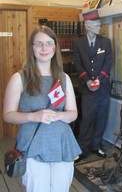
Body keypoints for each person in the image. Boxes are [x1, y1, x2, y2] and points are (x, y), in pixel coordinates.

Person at [3, 26, 82, 192]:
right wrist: (34, 116)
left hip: (62, 143)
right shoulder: (20, 78)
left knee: (61, 189)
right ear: (32, 48)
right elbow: (8, 115)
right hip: (34, 143)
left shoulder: (63, 78)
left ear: (55, 48)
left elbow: (73, 114)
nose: (44, 48)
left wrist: (59, 115)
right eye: (39, 44)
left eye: (49, 43)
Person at [73, 14, 112, 159]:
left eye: (99, 24)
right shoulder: (78, 43)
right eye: (96, 25)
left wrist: (99, 80)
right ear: (87, 26)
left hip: (102, 88)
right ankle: (82, 149)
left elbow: (108, 63)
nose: (99, 27)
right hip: (87, 88)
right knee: (87, 119)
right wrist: (88, 81)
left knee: (101, 117)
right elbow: (77, 63)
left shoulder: (106, 42)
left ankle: (96, 146)